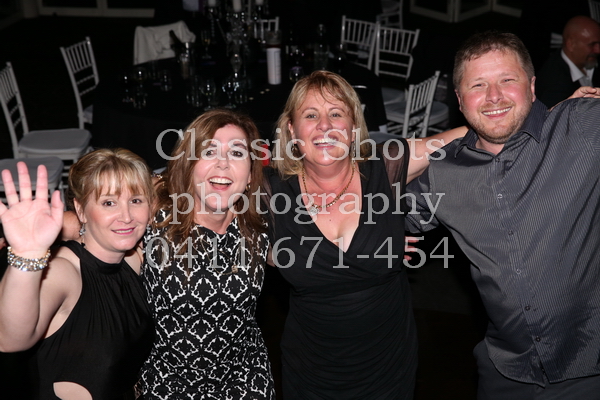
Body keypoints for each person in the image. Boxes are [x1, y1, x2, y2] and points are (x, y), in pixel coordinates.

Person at [405, 31, 600, 399]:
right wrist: (382, 235)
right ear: (459, 99)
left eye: (507, 80)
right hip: (506, 372)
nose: (493, 95)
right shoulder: (444, 172)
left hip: (590, 369)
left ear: (532, 86)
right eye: (478, 85)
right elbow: (367, 206)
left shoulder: (581, 126)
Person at [262, 70, 466, 399]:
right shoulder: (270, 191)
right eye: (310, 115)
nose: (324, 126)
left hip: (387, 366)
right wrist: (267, 253)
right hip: (311, 369)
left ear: (354, 127)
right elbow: (206, 207)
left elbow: (469, 134)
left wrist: (538, 113)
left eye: (336, 114)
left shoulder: (386, 166)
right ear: (291, 129)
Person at [138, 109, 275, 399]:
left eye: (237, 153)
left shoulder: (259, 223)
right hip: (168, 385)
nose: (223, 163)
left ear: (251, 174)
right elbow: (95, 223)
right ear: (189, 165)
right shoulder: (153, 218)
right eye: (209, 151)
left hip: (246, 381)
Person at [0, 149, 155, 399]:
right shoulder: (63, 271)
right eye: (109, 203)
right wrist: (27, 255)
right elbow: (9, 340)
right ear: (81, 211)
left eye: (136, 200)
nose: (126, 216)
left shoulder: (133, 259)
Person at [536, 15, 600, 107]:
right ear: (571, 44)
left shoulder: (589, 62)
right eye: (592, 44)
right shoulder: (554, 87)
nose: (598, 50)